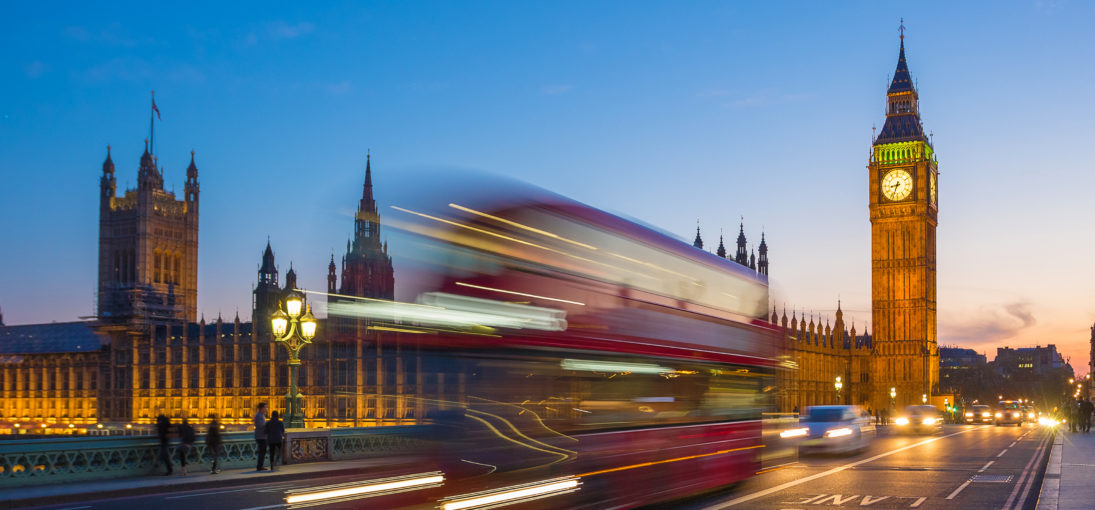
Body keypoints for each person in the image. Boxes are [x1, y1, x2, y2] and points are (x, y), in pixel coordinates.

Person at [254, 402, 269, 471]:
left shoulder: (261, 415)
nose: (267, 409)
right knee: (262, 452)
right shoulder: (259, 415)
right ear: (262, 408)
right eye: (266, 407)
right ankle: (259, 467)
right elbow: (261, 426)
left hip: (261, 436)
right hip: (261, 436)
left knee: (262, 451)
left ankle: (260, 466)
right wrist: (268, 424)